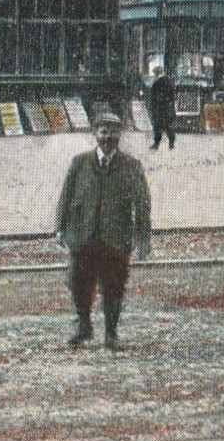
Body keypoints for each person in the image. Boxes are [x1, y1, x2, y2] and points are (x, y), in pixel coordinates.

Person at [56, 113, 152, 351]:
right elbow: (65, 197)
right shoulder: (79, 163)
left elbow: (142, 205)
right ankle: (84, 326)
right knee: (79, 283)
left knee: (114, 286)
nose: (108, 137)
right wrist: (60, 229)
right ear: (95, 134)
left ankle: (111, 333)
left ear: (120, 135)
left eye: (113, 132)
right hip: (83, 234)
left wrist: (143, 240)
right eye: (103, 132)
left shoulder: (131, 166)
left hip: (115, 238)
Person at [147, 68, 176, 150]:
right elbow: (173, 96)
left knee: (157, 127)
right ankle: (171, 144)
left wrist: (152, 108)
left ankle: (156, 144)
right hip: (168, 109)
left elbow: (153, 98)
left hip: (159, 109)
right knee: (169, 126)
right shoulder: (169, 82)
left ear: (156, 74)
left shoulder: (156, 84)